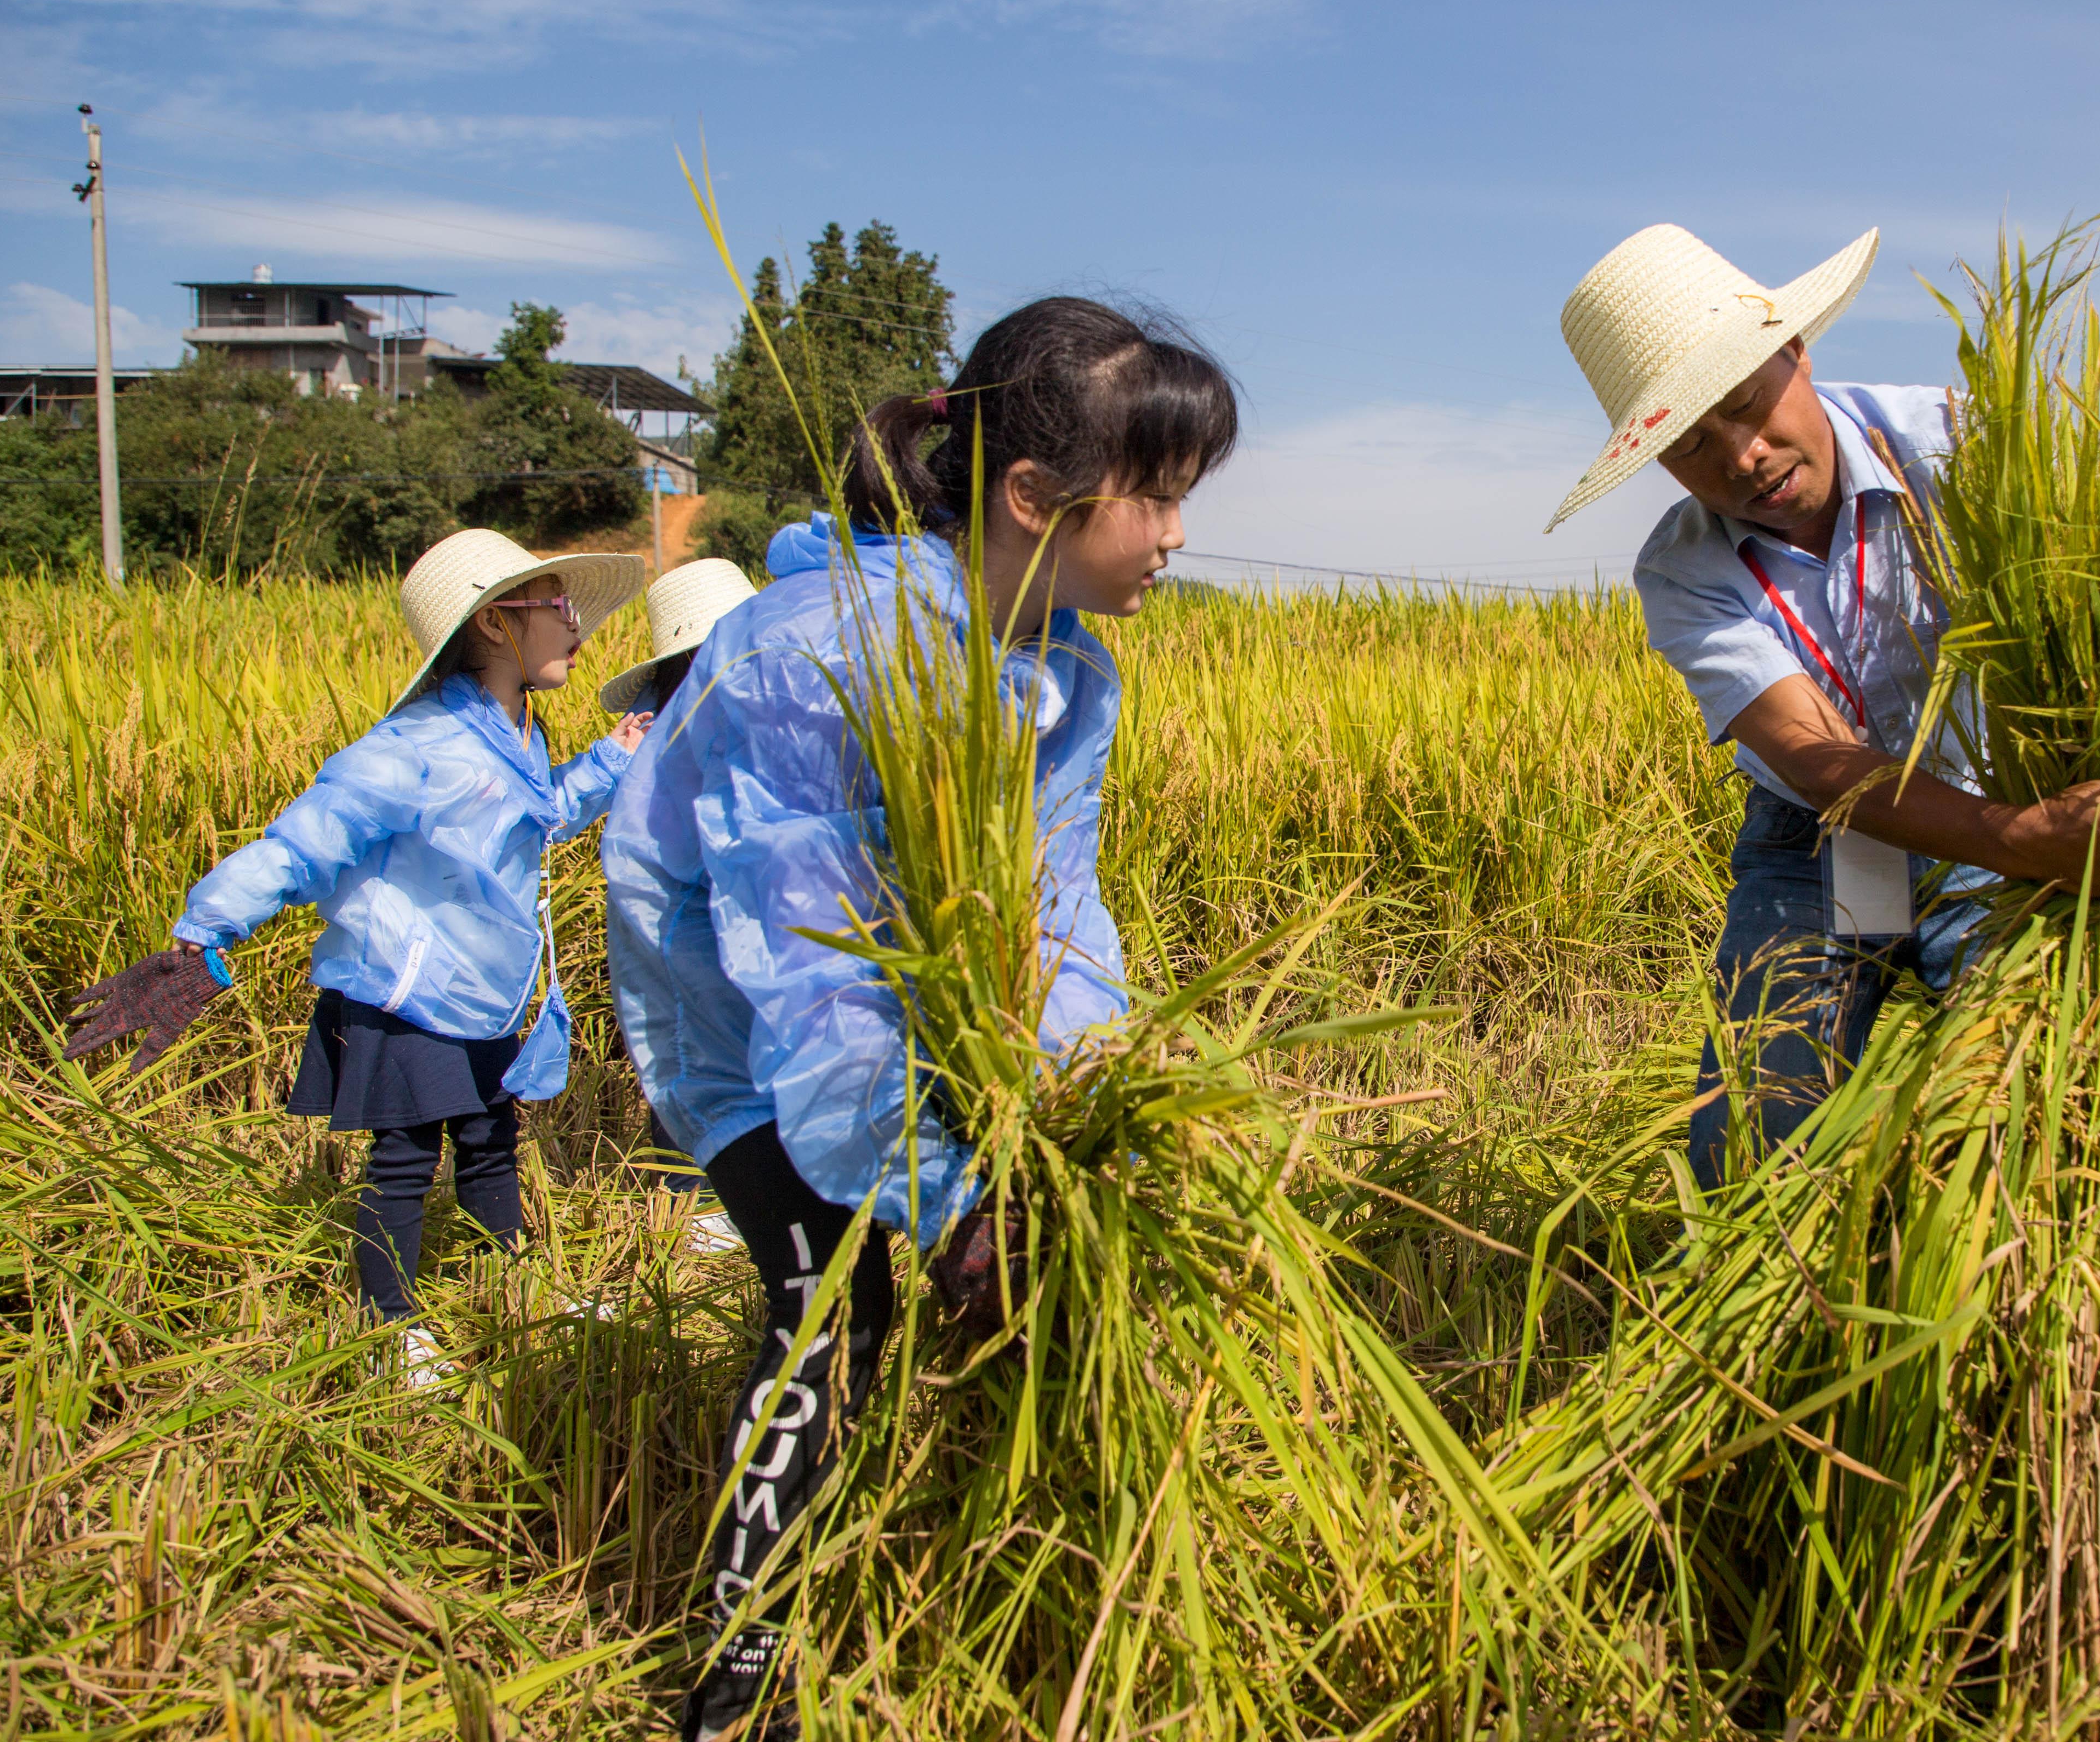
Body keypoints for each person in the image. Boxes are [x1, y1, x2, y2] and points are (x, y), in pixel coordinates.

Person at [601, 298, 1238, 1742]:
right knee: (834, 1298)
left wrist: (1089, 1095)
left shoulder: (1069, 671)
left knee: (1027, 1269)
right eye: (1159, 498)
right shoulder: (817, 656)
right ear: (1034, 497)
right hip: (743, 1013)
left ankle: (980, 1586)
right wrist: (952, 1200)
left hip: (922, 989)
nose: (1178, 537)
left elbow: (1054, 908)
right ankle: (737, 1675)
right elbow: (813, 976)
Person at [1547, 224, 2100, 1192]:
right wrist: (2020, 840)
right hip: (1824, 836)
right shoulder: (1684, 570)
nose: (1742, 457)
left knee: (2059, 1095)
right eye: (1690, 444)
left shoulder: (1968, 450)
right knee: (1752, 1140)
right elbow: (1811, 755)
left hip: (2008, 789)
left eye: (1747, 405)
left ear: (1795, 351)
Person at [62, 529, 651, 1367]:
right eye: (559, 608)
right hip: (405, 989)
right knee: (405, 1164)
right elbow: (307, 842)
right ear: (494, 624)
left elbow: (540, 817)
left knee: (491, 1140)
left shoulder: (522, 734)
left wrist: (610, 760)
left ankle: (518, 1289)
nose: (579, 630)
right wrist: (205, 933)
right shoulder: (414, 747)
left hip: (485, 985)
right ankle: (390, 1331)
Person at [595, 556, 761, 1250]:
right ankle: (689, 1204)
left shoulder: (745, 722)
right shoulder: (669, 749)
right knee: (691, 1050)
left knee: (714, 1052)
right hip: (688, 927)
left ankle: (715, 1198)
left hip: (737, 928)